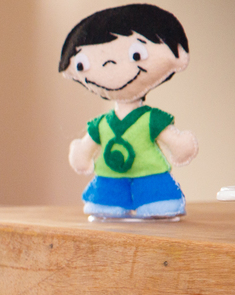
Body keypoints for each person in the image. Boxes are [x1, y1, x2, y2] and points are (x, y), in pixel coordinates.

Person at [60, 3, 197, 219]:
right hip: (109, 177)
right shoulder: (102, 124)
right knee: (106, 204)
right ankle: (111, 204)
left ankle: (155, 204)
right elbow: (89, 145)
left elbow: (169, 137)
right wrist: (81, 154)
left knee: (158, 202)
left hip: (150, 174)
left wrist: (180, 147)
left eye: (136, 54)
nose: (109, 65)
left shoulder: (150, 119)